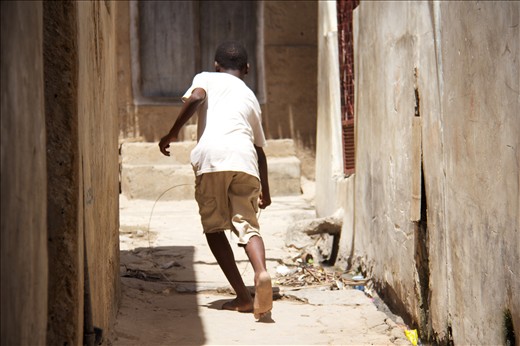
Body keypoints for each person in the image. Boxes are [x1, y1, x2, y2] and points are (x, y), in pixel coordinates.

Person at [158, 41, 272, 320]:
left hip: (212, 159)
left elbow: (196, 98)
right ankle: (261, 272)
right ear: (247, 69)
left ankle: (244, 298)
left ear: (217, 65)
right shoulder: (250, 97)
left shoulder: (206, 77)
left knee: (214, 227)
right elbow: (259, 150)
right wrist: (266, 191)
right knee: (247, 224)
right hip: (245, 160)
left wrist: (172, 133)